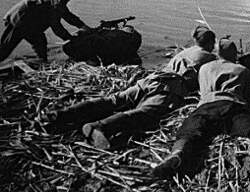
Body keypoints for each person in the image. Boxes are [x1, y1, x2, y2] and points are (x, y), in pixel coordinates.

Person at [43, 27, 217, 149]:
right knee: (145, 112)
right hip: (170, 87)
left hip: (151, 79)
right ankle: (100, 127)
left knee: (115, 100)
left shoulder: (185, 51)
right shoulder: (210, 58)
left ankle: (58, 115)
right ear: (210, 43)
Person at [152, 38, 250, 179]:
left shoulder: (204, 68)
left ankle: (177, 155)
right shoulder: (242, 70)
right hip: (232, 105)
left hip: (206, 107)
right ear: (233, 55)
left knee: (189, 131)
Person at [1, 0, 91, 63]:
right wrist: (70, 39)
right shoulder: (56, 4)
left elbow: (68, 16)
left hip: (29, 23)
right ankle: (42, 61)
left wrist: (82, 26)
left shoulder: (58, 0)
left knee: (40, 41)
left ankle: (42, 62)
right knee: (4, 49)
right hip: (18, 20)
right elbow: (56, 28)